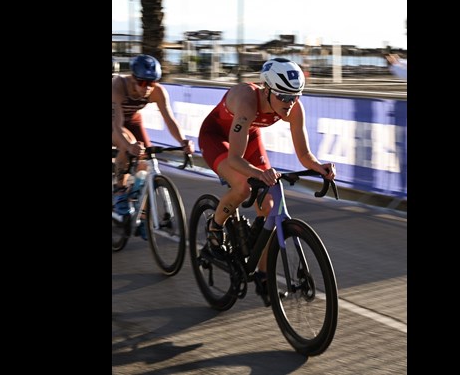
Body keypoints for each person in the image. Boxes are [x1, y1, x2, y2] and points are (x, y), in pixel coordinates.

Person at [197, 58, 336, 306]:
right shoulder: (247, 101)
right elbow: (235, 159)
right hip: (216, 137)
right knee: (243, 186)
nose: (290, 103)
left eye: (296, 96)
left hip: (248, 136)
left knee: (271, 208)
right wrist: (259, 173)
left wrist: (319, 167)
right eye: (283, 96)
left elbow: (304, 155)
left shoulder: (294, 108)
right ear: (267, 89)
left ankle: (263, 275)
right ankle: (215, 227)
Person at [112, 54, 194, 216]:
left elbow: (170, 120)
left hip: (133, 119)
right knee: (128, 143)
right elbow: (117, 125)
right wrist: (129, 146)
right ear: (133, 78)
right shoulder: (118, 86)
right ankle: (120, 192)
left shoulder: (157, 92)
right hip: (115, 120)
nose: (147, 88)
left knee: (147, 159)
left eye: (152, 82)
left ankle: (143, 216)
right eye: (142, 82)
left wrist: (183, 141)